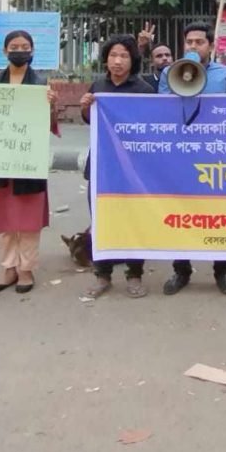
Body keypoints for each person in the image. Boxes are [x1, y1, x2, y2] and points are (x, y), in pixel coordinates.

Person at [158, 22, 226, 296]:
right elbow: (161, 111)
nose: (193, 46)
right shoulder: (170, 72)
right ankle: (181, 269)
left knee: (218, 213)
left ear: (211, 46)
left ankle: (221, 269)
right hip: (182, 154)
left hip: (216, 156)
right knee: (181, 212)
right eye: (189, 42)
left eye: (199, 42)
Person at [0, 31, 59, 294]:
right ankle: (8, 268)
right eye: (14, 46)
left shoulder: (41, 83)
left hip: (26, 158)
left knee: (27, 217)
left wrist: (51, 107)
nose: (20, 50)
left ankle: (26, 269)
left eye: (25, 47)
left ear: (33, 51)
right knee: (3, 217)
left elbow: (47, 125)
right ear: (4, 51)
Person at [81, 34, 156, 299]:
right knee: (101, 220)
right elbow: (91, 121)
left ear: (132, 60)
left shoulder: (144, 90)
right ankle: (102, 276)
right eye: (113, 55)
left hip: (133, 167)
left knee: (134, 220)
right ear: (105, 59)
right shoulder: (98, 85)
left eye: (123, 55)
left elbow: (152, 127)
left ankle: (135, 274)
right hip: (102, 166)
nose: (117, 61)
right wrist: (86, 107)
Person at [136, 21, 173, 90]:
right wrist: (141, 47)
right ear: (151, 62)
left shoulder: (180, 80)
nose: (164, 58)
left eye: (167, 55)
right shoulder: (145, 82)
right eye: (159, 56)